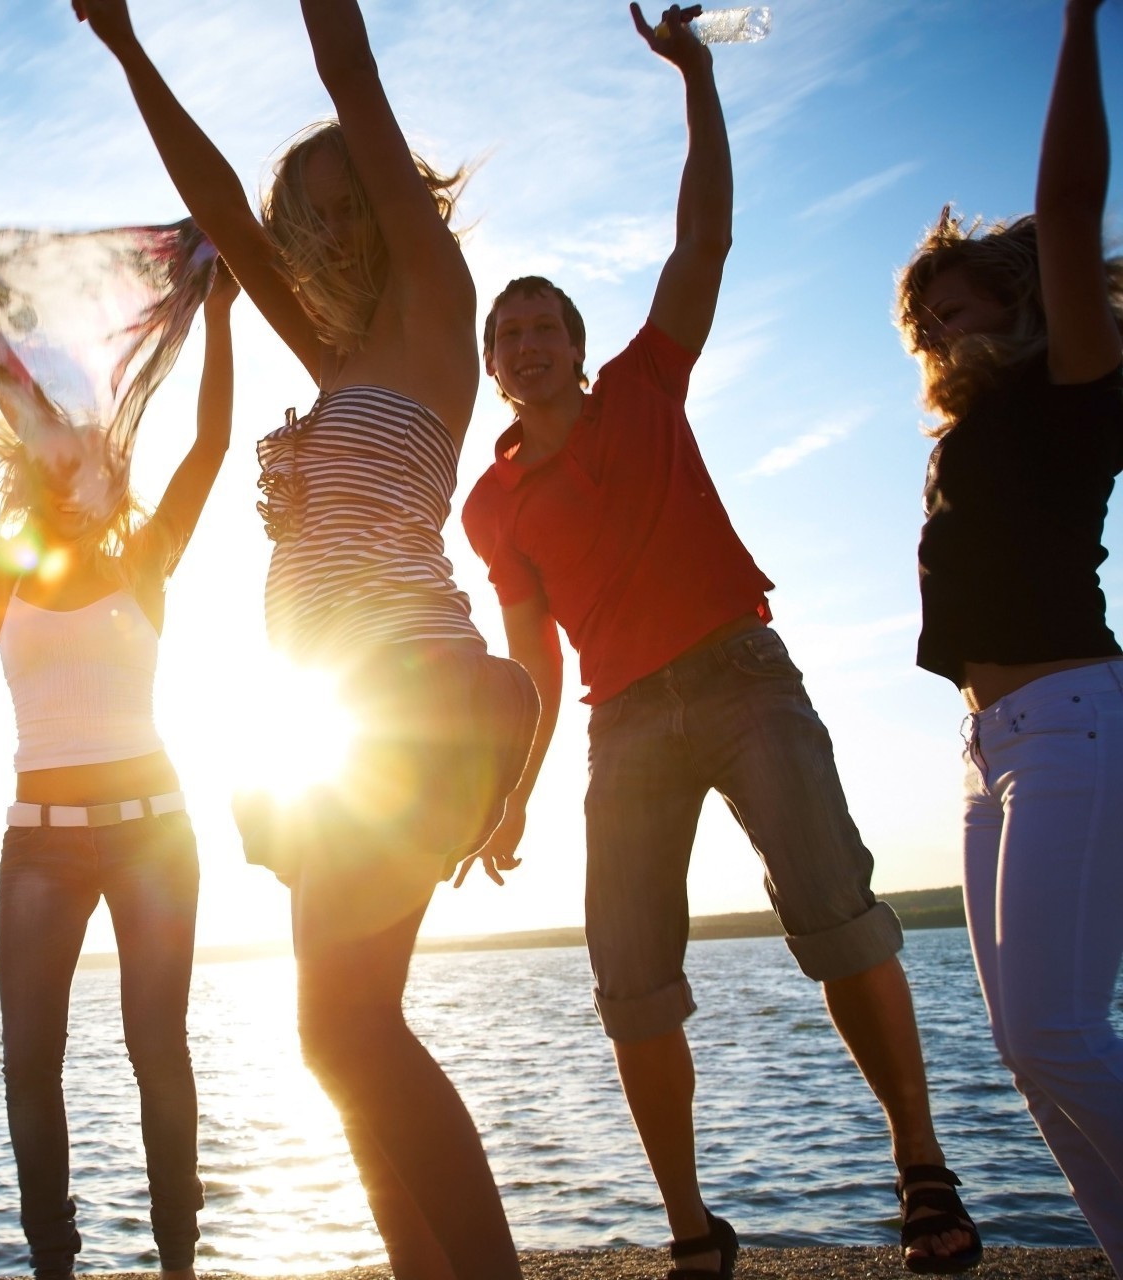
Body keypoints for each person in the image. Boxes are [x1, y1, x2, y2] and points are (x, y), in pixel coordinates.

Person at [459, 7, 978, 1276]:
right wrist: (511, 793)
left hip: (743, 675)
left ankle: (921, 1167)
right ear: (493, 367)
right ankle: (692, 1226)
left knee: (833, 912)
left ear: (578, 346)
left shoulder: (644, 383)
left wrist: (697, 78)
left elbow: (708, 235)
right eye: (507, 333)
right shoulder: (493, 500)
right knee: (629, 973)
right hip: (624, 719)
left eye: (545, 326)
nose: (529, 343)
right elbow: (537, 661)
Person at [76, 2, 539, 1274]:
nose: (337, 229)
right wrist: (127, 48)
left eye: (356, 203)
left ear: (404, 211)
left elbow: (347, 64)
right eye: (314, 214)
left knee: (341, 1028)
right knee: (341, 1035)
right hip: (331, 725)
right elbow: (218, 206)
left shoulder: (439, 316)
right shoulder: (332, 361)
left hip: (416, 692)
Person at [0, 256, 237, 1280]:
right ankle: (55, 1264)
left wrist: (221, 316)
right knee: (29, 1065)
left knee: (159, 1047)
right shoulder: (1, 575)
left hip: (155, 832)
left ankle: (178, 1262)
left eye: (86, 464)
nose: (69, 480)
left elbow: (211, 444)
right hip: (40, 848)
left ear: (109, 473)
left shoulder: (145, 561)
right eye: (51, 464)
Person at [896, 0, 1123, 1265]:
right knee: (1032, 1057)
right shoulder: (968, 437)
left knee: (1057, 1035)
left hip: (1076, 726)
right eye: (927, 322)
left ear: (1024, 303)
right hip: (992, 749)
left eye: (962, 307)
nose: (940, 334)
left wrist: (1082, 15)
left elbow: (1074, 205)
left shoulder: (1074, 388)